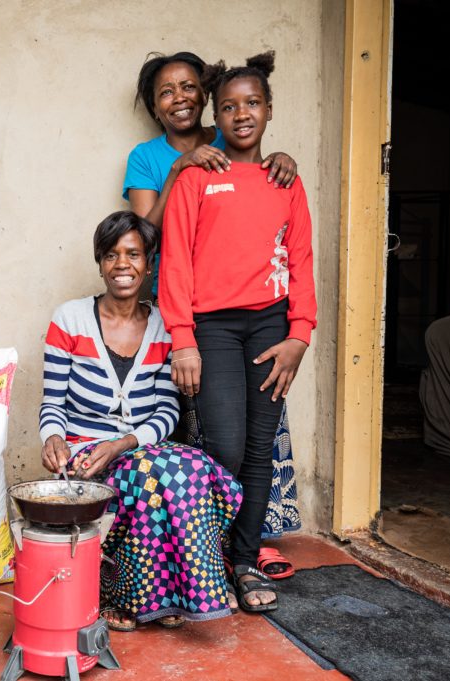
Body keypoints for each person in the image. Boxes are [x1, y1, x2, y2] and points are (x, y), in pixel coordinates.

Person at [124, 50, 302, 582]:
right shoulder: (158, 160)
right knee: (204, 435)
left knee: (259, 439)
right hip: (187, 311)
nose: (178, 98)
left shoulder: (235, 146)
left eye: (186, 88)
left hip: (263, 314)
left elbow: (287, 239)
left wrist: (283, 159)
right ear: (154, 107)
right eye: (165, 92)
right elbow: (151, 240)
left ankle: (249, 548)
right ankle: (193, 547)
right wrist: (182, 169)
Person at [39, 211, 243, 632]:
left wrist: (123, 444)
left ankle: (173, 594)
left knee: (182, 467)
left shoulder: (166, 327)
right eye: (111, 255)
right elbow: (52, 402)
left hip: (138, 449)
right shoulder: (69, 319)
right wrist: (53, 438)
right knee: (154, 473)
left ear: (149, 264)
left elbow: (168, 412)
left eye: (133, 254)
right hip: (84, 453)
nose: (122, 265)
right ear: (99, 263)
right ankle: (127, 595)